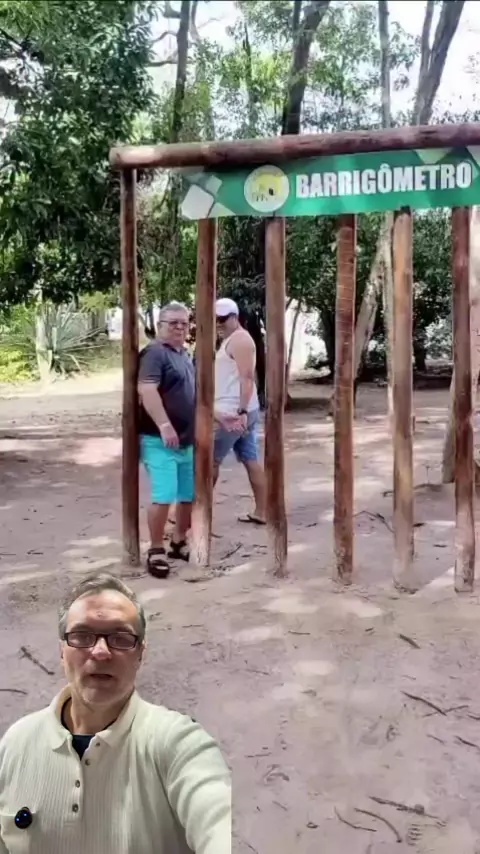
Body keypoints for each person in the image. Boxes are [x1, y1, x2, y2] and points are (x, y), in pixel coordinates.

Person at [0, 572, 231, 854]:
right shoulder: (16, 745)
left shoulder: (179, 744)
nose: (100, 652)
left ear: (140, 654)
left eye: (120, 638)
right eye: (82, 636)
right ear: (62, 651)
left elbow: (217, 816)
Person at [138, 302, 195, 578]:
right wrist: (164, 425)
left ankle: (179, 541)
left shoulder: (184, 354)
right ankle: (156, 548)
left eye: (184, 323)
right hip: (159, 440)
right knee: (164, 496)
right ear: (160, 325)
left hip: (186, 441)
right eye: (173, 323)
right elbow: (147, 390)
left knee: (188, 495)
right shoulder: (155, 353)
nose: (179, 328)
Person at [214, 297, 266, 525]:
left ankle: (195, 514)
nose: (218, 323)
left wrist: (242, 411)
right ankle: (262, 511)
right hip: (237, 409)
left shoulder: (241, 340)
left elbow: (247, 378)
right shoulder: (230, 339)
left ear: (234, 317)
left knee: (209, 461)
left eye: (222, 319)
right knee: (249, 458)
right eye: (215, 319)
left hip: (233, 411)